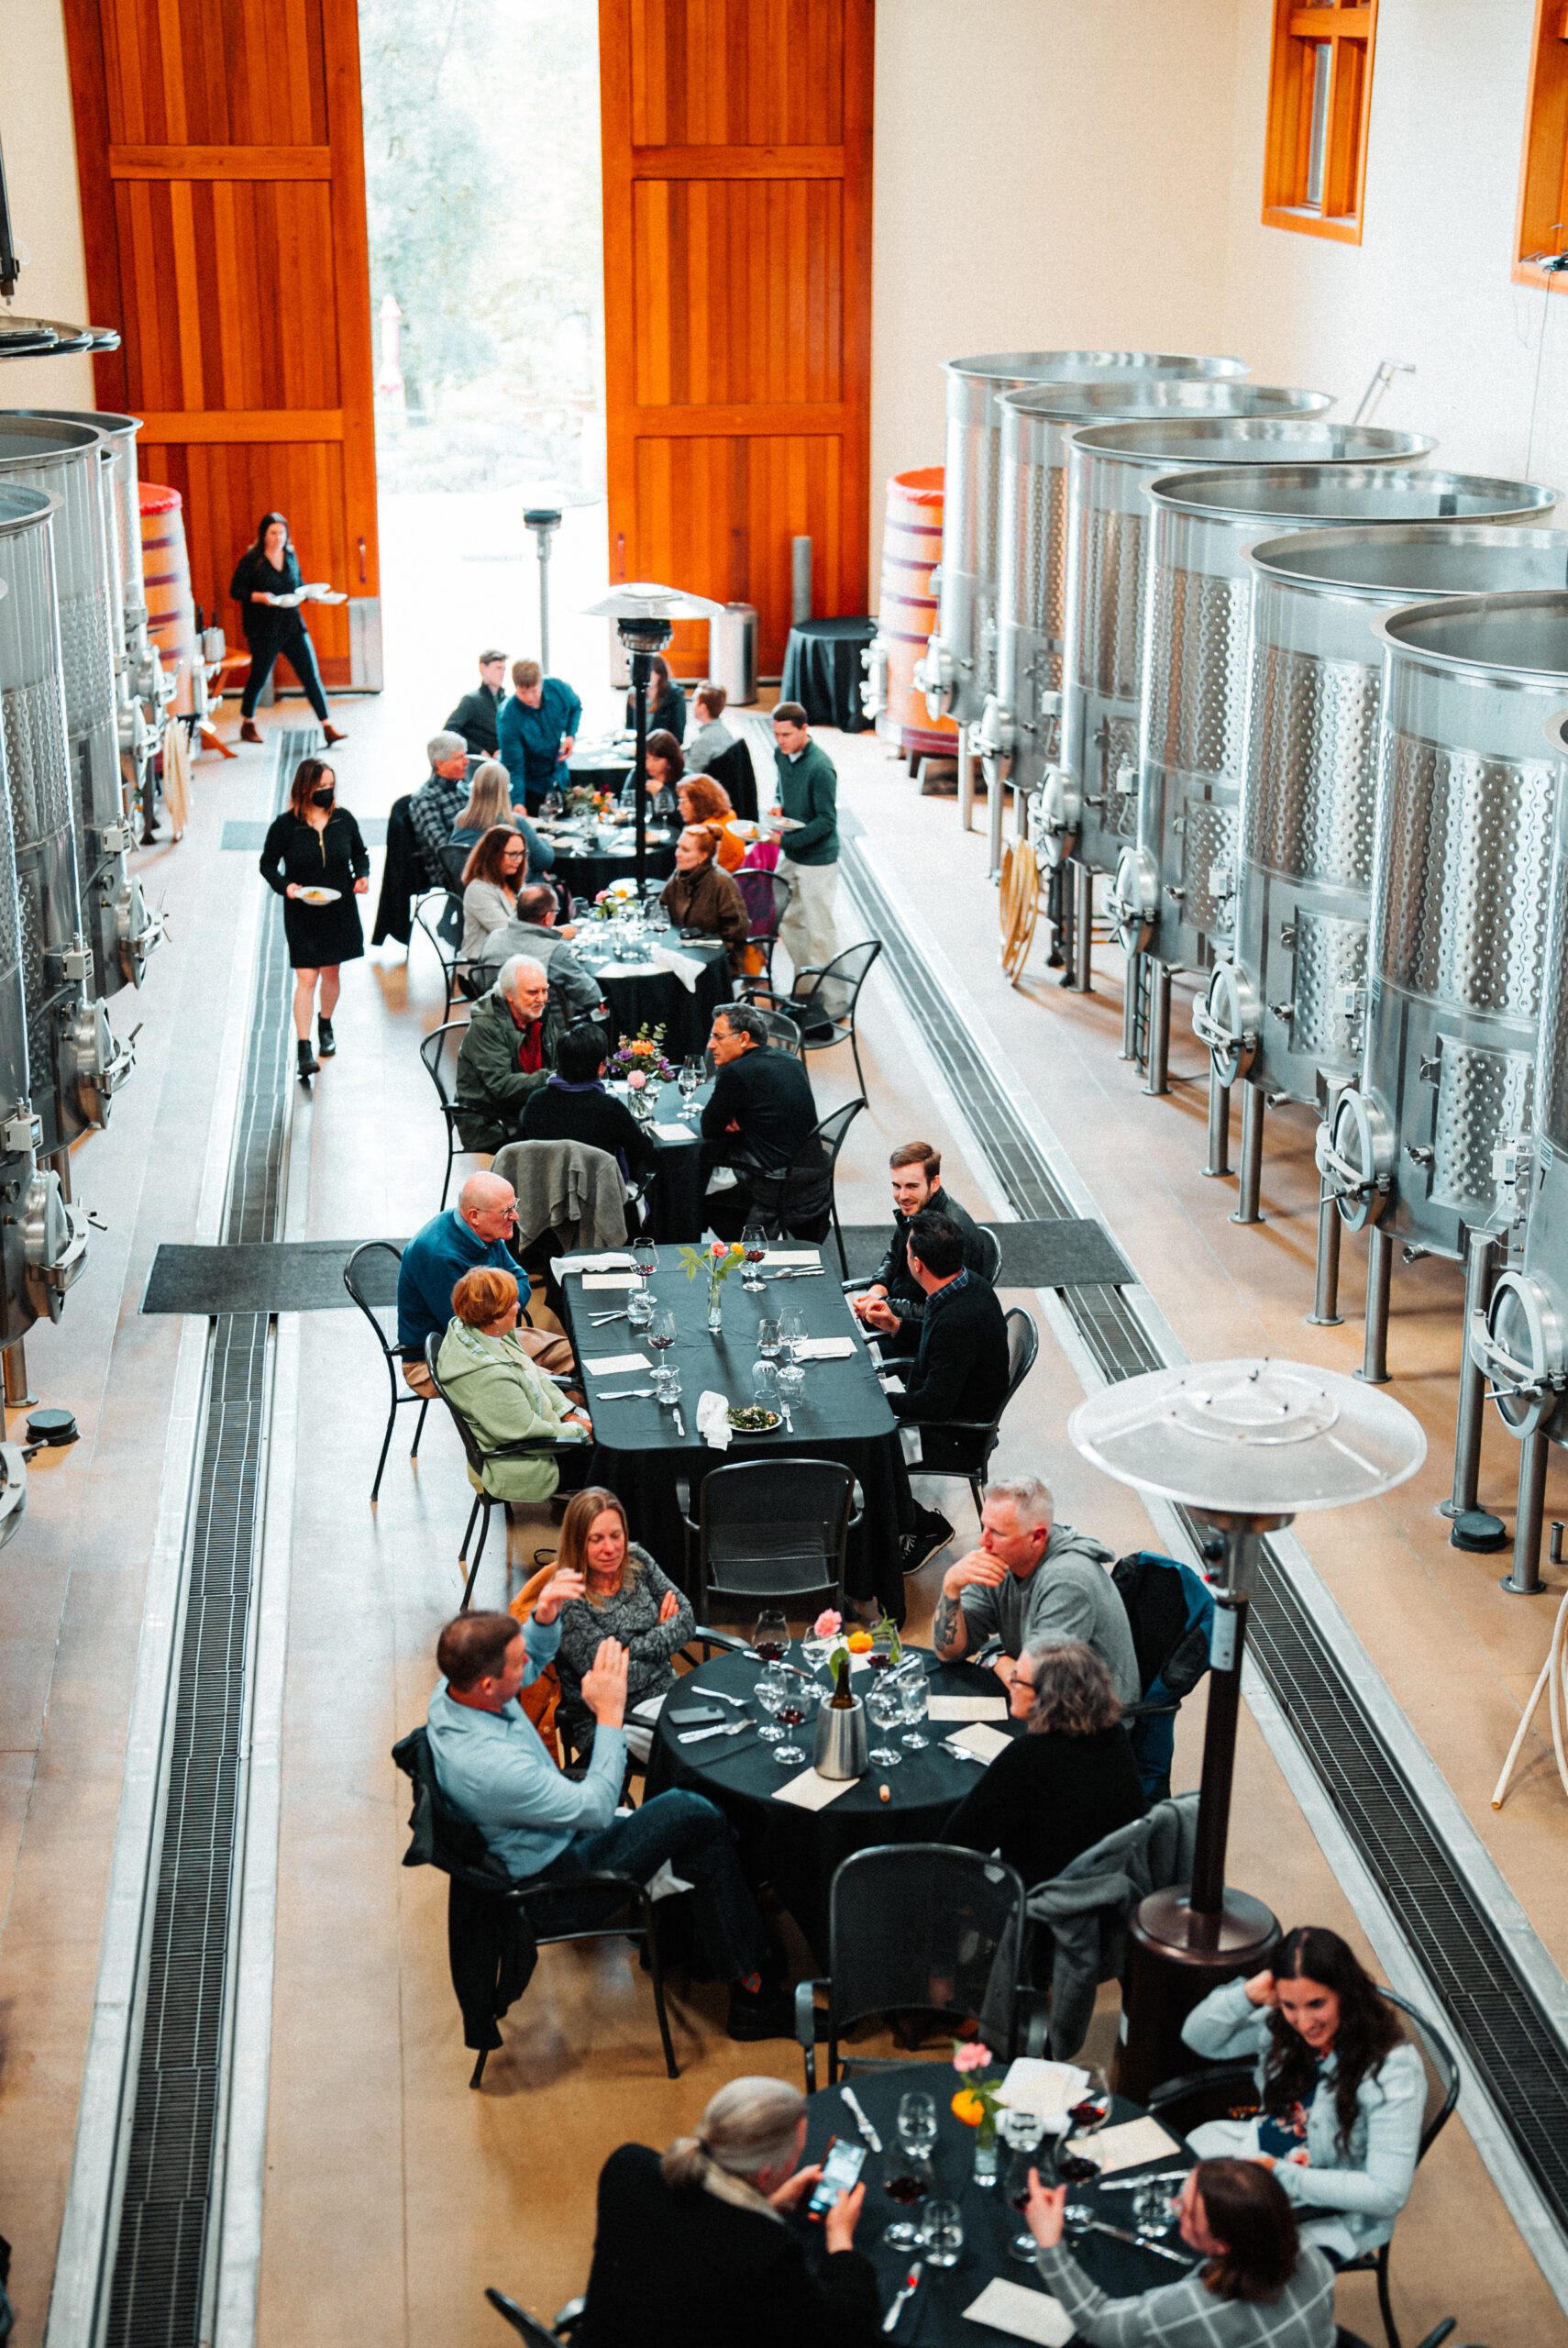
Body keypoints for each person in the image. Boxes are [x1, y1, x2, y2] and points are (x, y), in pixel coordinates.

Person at [426, 1611, 791, 2037]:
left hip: (545, 1834)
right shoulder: (492, 1770)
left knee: (707, 1836)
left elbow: (521, 1664)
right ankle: (748, 1955)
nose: (532, 1665)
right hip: (555, 1881)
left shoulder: (452, 1693)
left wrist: (543, 1621)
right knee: (695, 1810)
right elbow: (598, 1806)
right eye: (520, 1660)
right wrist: (610, 1714)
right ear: (490, 1686)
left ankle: (744, 1984)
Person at [1182, 1926, 1426, 2265]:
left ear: (1345, 1993)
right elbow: (1199, 2038)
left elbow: (1387, 2193)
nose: (1304, 2022)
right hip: (1260, 2157)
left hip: (1326, 2208)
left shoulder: (1393, 2070)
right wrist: (1248, 1995)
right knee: (1175, 2198)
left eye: (1316, 2004)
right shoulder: (1284, 2025)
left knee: (1208, 2243)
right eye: (1290, 2005)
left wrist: (1278, 2175)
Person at [576, 2077, 879, 2348]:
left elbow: (691, 2237)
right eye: (796, 2153)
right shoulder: (766, 2252)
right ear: (764, 2175)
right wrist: (840, 2240)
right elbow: (840, 2332)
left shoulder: (627, 2166)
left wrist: (767, 2204)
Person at [1024, 2157, 1336, 2347]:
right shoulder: (1311, 2252)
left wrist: (1050, 2246)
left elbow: (1097, 2324)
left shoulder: (1191, 2307)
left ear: (1223, 2245)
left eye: (1187, 2212)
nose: (1174, 2209)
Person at [944, 1640, 1146, 1888]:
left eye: (1018, 1680)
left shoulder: (1029, 1756)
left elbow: (957, 1845)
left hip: (1046, 1902)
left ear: (1047, 1697)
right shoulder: (1114, 1733)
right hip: (1114, 1886)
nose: (1011, 1685)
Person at [931, 1470, 1138, 1699]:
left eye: (997, 1533)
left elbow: (1034, 1691)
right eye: (985, 1527)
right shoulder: (1001, 1559)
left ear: (1037, 1537)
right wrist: (951, 1587)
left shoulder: (1068, 1581)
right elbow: (948, 1653)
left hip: (1091, 1717)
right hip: (1039, 1697)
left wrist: (994, 1659)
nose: (983, 1541)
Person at [886, 1213, 1012, 1571]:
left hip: (956, 1434)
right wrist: (897, 1325)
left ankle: (927, 1527)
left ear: (917, 1263)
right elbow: (937, 1342)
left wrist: (878, 1401)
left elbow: (934, 1405)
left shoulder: (956, 1320)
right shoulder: (968, 1284)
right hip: (955, 1407)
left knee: (872, 1445)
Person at [396, 1172, 574, 1393]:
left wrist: (499, 1305)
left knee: (576, 1358)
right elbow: (467, 1332)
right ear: (474, 1216)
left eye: (514, 1205)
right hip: (439, 1359)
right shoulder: (438, 1256)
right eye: (506, 1211)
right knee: (558, 1387)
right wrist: (506, 1306)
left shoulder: (486, 1232)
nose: (515, 1216)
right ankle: (572, 1425)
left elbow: (521, 1280)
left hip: (495, 1336)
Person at [549, 1487, 693, 1758]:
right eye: (596, 1539)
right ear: (577, 1541)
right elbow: (614, 1684)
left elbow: (687, 1620)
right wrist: (662, 1635)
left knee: (726, 1731)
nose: (611, 1548)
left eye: (616, 1536)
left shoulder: (637, 1559)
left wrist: (632, 1650)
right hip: (609, 1719)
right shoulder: (569, 1599)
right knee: (694, 1752)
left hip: (667, 1692)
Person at [436, 1268, 593, 1507]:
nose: (518, 1305)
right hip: (525, 1462)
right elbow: (530, 1435)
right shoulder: (490, 1380)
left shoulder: (483, 1331)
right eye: (510, 1302)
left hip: (544, 1432)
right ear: (495, 1316)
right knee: (617, 1458)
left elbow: (533, 1374)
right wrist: (580, 1431)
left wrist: (568, 1412)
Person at [257, 756, 369, 1080]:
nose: (327, 792)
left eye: (331, 786)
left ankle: (326, 1022)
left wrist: (361, 876)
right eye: (321, 787)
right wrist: (286, 887)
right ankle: (304, 1047)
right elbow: (267, 864)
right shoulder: (285, 826)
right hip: (303, 911)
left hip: (340, 908)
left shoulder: (344, 820)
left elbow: (360, 853)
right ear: (305, 788)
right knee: (306, 978)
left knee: (331, 974)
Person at [850, 1141, 991, 1356]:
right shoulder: (916, 1210)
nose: (902, 1196)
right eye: (897, 1186)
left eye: (912, 1186)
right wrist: (878, 1287)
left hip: (919, 1338)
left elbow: (939, 1311)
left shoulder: (947, 1235)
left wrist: (884, 1304)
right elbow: (894, 1254)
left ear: (934, 1183)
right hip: (897, 1314)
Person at [700, 1004, 820, 1241]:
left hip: (773, 1180)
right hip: (813, 1175)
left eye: (718, 1037)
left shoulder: (736, 1073)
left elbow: (709, 1127)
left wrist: (736, 1118)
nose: (710, 1045)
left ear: (744, 1038)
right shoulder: (789, 1059)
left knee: (698, 1176)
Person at [229, 512, 346, 746]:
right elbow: (236, 590)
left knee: (311, 676)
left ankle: (327, 726)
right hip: (264, 629)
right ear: (264, 534)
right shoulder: (252, 560)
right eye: (273, 532)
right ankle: (247, 722)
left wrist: (313, 597)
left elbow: (298, 586)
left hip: (292, 625)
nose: (278, 537)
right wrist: (260, 597)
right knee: (259, 677)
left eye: (281, 532)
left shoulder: (290, 556)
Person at [519, 1022, 657, 1202]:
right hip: (600, 1199)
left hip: (547, 1196)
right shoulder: (610, 1108)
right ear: (601, 1067)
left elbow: (523, 1149)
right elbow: (643, 1150)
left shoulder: (536, 1101)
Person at [768, 703, 841, 1015]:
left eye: (787, 735)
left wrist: (786, 840)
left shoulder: (821, 768)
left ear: (803, 729)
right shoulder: (780, 755)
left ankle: (834, 1000)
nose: (781, 741)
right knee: (787, 916)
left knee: (820, 930)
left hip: (817, 859)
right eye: (776, 735)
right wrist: (777, 805)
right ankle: (806, 986)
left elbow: (827, 821)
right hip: (792, 853)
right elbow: (782, 789)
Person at [454, 956, 560, 1151]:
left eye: (545, 990)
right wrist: (552, 1078)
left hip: (527, 1107)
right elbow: (501, 1086)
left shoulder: (538, 1015)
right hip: (491, 1123)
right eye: (533, 992)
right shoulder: (486, 1025)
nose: (542, 998)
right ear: (509, 994)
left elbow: (558, 1060)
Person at [475, 883, 604, 1024]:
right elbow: (591, 996)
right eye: (556, 911)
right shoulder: (555, 952)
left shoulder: (493, 938)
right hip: (545, 1033)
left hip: (498, 1026)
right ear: (548, 917)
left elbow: (478, 981)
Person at [497, 658, 582, 813]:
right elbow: (514, 766)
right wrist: (517, 803)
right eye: (523, 692)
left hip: (559, 775)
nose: (530, 698)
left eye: (534, 691)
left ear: (541, 682)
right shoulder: (508, 718)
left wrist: (571, 735)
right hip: (530, 786)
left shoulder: (557, 688)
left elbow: (576, 706)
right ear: (515, 687)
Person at [660, 826, 750, 970]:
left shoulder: (722, 882)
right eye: (678, 847)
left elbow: (737, 929)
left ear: (703, 856)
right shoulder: (679, 875)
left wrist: (705, 945)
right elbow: (662, 909)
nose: (678, 854)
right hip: (683, 950)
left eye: (685, 850)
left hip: (716, 959)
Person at [449, 762, 554, 880]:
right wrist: (544, 841)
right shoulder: (514, 822)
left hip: (470, 891)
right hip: (508, 893)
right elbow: (544, 861)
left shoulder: (461, 820)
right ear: (505, 790)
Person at [410, 732, 474, 889]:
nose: (467, 762)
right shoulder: (426, 798)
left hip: (473, 857)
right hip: (449, 869)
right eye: (459, 758)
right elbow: (444, 848)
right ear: (440, 764)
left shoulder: (463, 788)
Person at [459, 825, 528, 964]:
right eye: (512, 854)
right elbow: (508, 933)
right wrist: (554, 933)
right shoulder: (478, 890)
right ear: (493, 855)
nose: (519, 860)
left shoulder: (512, 883)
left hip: (514, 960)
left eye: (522, 854)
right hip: (483, 969)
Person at [445, 648, 508, 759]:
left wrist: (504, 749)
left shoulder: (507, 703)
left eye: (504, 669)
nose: (502, 673)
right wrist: (479, 751)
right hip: (479, 766)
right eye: (498, 668)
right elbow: (450, 730)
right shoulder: (471, 701)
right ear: (483, 668)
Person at [678, 773, 745, 870]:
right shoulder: (730, 814)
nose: (679, 807)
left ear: (698, 802)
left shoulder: (703, 833)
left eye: (683, 801)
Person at [624, 652, 685, 747]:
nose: (644, 676)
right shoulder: (633, 694)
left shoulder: (674, 696)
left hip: (661, 751)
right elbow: (630, 728)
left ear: (660, 674)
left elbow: (677, 736)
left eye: (649, 672)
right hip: (637, 747)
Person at [623, 729, 683, 822]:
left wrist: (663, 792)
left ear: (670, 760)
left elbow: (684, 818)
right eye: (646, 758)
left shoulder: (684, 779)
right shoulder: (638, 774)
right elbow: (626, 806)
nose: (649, 764)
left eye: (656, 759)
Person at [683, 681, 736, 776]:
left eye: (694, 701)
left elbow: (689, 775)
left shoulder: (703, 741)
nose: (691, 705)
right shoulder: (724, 732)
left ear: (703, 708)